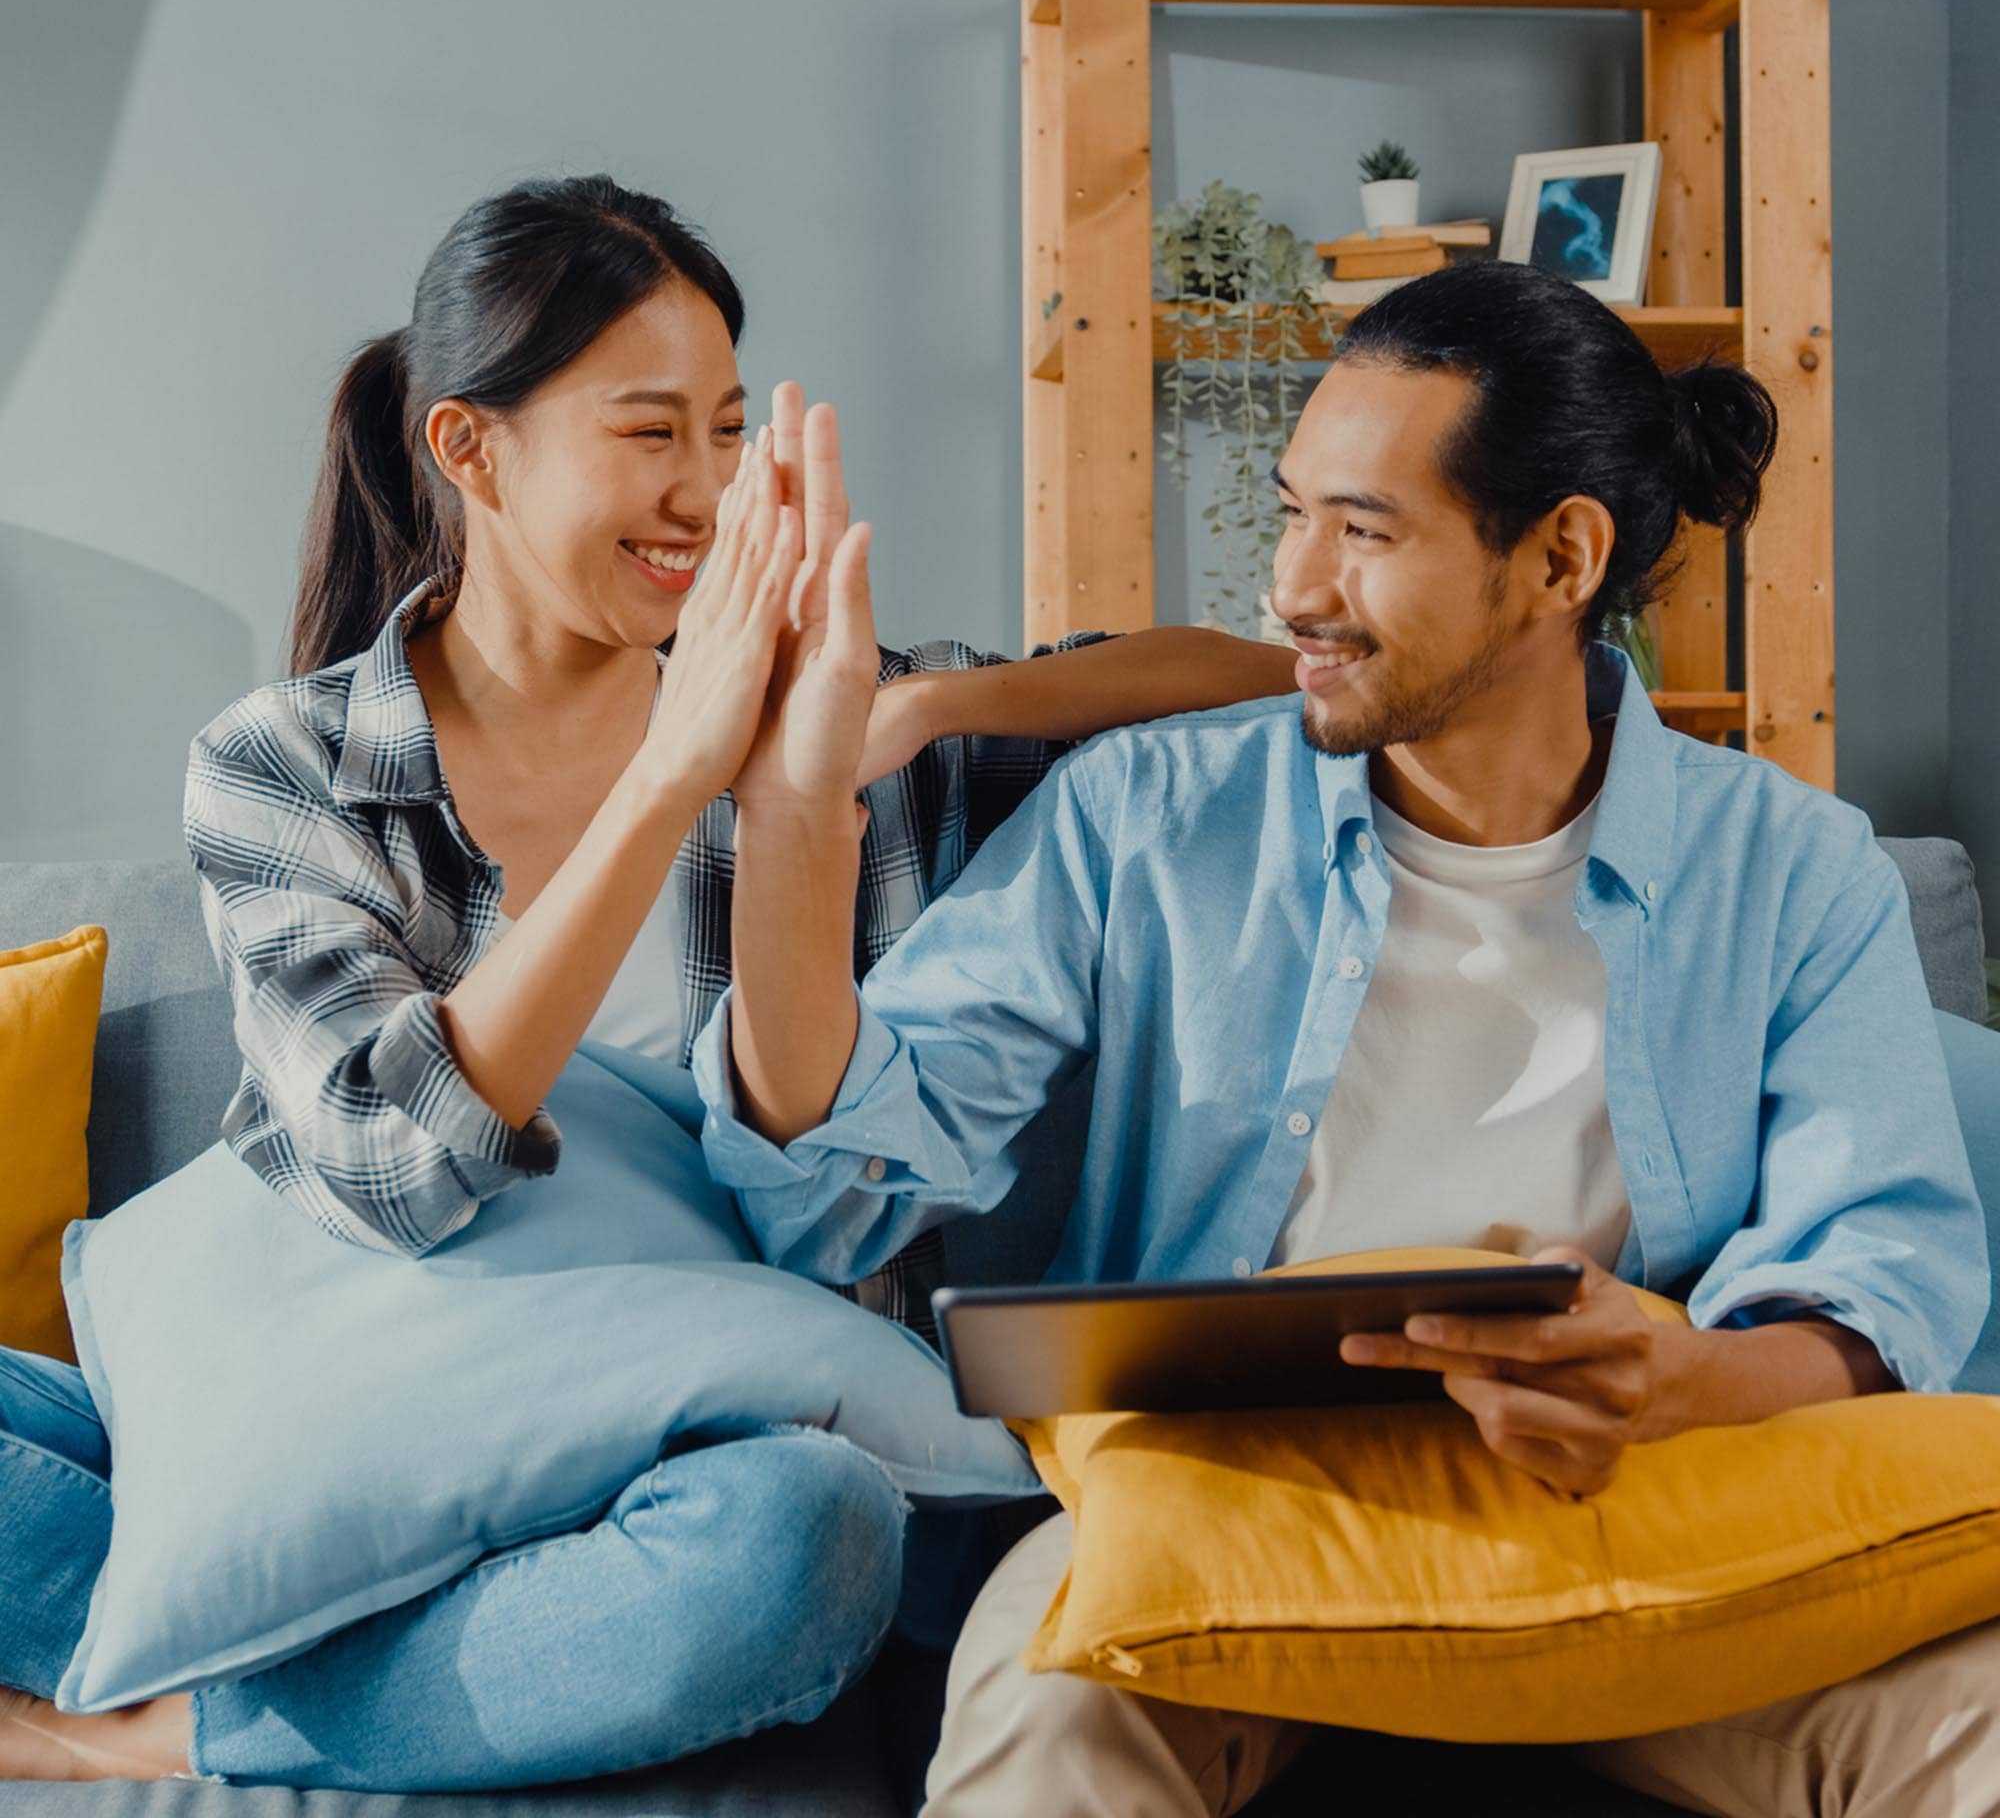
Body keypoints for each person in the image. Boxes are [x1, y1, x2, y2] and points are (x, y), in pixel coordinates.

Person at [0, 174, 1297, 1791]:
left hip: (688, 1473)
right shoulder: (289, 764)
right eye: (648, 434)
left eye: (729, 431)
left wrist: (926, 718)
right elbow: (393, 1168)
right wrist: (670, 784)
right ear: (469, 449)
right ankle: (368, 1654)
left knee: (808, 1540)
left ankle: (171, 1715)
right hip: (363, 1423)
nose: (705, 492)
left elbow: (1275, 685)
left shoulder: (823, 730)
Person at [697, 259, 1998, 1818]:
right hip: (1222, 1523)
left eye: (1363, 531)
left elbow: (1885, 1287)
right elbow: (835, 1192)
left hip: (1645, 1527)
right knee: (1047, 1724)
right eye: (1292, 510)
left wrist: (1679, 1379)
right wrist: (790, 822)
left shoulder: (1794, 869)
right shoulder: (1147, 816)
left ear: (1560, 557)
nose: (1291, 588)